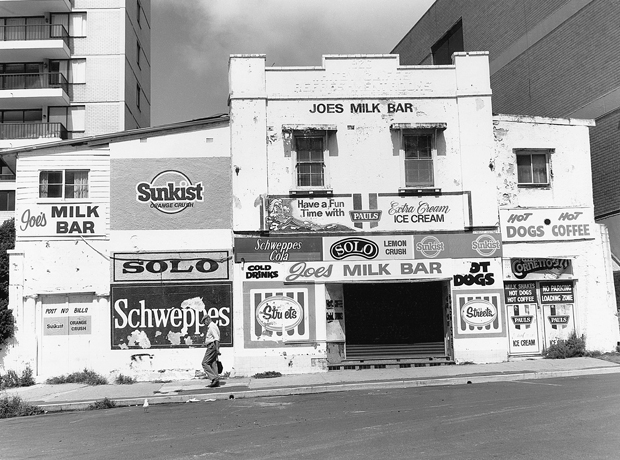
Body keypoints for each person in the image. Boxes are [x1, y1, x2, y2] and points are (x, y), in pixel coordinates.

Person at [201, 313, 220, 388]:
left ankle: (214, 378)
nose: (204, 324)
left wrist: (217, 349)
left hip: (212, 346)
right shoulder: (214, 326)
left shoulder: (211, 327)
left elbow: (216, 338)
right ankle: (216, 381)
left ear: (208, 319)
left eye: (204, 321)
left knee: (204, 363)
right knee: (213, 363)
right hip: (213, 346)